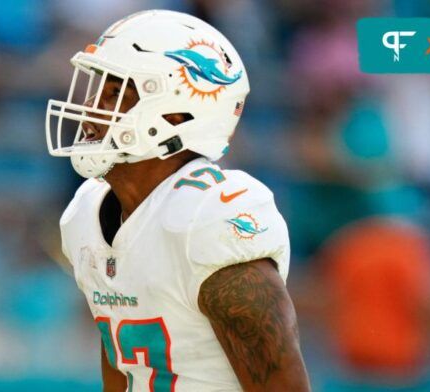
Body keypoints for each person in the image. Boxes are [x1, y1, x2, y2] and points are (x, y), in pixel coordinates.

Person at [46, 10, 310, 391]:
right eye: (96, 88)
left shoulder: (208, 218)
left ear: (174, 113)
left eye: (114, 92)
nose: (90, 108)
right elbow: (122, 363)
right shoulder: (87, 214)